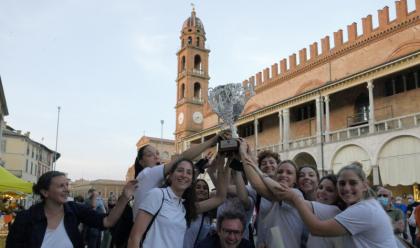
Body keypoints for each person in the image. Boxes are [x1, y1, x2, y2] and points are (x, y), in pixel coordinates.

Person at [273, 162, 398, 247]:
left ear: (365, 185)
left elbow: (317, 229)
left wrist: (295, 197)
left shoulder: (364, 209)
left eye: (353, 183)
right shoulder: (359, 207)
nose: (347, 188)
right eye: (342, 183)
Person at [6, 170, 136, 248]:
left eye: (67, 185)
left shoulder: (74, 210)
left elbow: (107, 221)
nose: (67, 189)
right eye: (61, 186)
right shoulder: (26, 218)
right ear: (45, 192)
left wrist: (124, 197)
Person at [127, 158, 229, 248]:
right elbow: (134, 238)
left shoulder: (184, 206)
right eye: (180, 170)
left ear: (191, 181)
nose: (184, 175)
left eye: (189, 172)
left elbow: (220, 198)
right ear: (170, 176)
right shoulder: (157, 195)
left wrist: (222, 162)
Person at [238, 139, 305, 248]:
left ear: (295, 180)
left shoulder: (296, 194)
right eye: (280, 172)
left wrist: (243, 154)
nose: (283, 175)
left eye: (289, 173)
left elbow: (257, 184)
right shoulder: (266, 193)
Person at [183, 154, 230, 248]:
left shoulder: (207, 215)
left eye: (205, 188)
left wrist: (228, 162)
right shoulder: (187, 207)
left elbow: (222, 194)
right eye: (198, 187)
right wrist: (201, 166)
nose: (202, 190)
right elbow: (221, 196)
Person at [246, 150, 279, 248]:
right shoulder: (255, 191)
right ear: (259, 168)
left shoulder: (286, 187)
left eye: (272, 162)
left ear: (278, 165)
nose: (268, 165)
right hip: (262, 241)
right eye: (264, 164)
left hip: (281, 238)